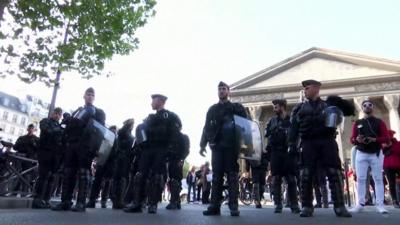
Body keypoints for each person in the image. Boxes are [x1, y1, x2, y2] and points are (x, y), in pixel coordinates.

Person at [288, 79, 351, 217]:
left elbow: (347, 111)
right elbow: (293, 128)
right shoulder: (298, 108)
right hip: (308, 142)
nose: (304, 91)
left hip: (327, 141)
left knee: (334, 173)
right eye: (304, 89)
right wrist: (291, 144)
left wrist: (338, 103)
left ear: (316, 89)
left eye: (307, 88)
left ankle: (340, 206)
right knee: (306, 174)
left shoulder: (328, 105)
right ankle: (307, 206)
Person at [124, 94, 181, 214]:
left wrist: (170, 149)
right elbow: (142, 131)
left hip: (161, 148)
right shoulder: (149, 118)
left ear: (160, 101)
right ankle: (137, 202)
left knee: (157, 177)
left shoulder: (170, 116)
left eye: (153, 100)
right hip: (147, 149)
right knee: (140, 176)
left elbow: (176, 132)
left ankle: (153, 204)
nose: (151, 103)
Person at [52, 87, 106, 212]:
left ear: (94, 97)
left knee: (84, 173)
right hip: (72, 143)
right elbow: (68, 126)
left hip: (86, 145)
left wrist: (97, 149)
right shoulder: (78, 110)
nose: (90, 96)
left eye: (92, 94)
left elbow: (100, 131)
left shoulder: (98, 112)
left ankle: (81, 202)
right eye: (88, 94)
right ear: (84, 96)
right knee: (68, 172)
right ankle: (65, 201)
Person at [200, 81, 248, 217]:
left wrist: (246, 146)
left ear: (228, 92)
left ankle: (233, 205)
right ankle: (214, 205)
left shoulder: (236, 108)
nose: (221, 91)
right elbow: (206, 128)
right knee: (216, 177)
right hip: (217, 147)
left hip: (231, 147)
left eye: (223, 89)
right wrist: (202, 144)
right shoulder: (212, 109)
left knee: (232, 176)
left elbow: (245, 125)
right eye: (219, 89)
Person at [350, 99, 389, 214]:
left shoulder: (379, 122)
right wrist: (357, 139)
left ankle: (380, 204)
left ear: (373, 107)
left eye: (370, 105)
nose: (367, 107)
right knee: (361, 179)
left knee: (378, 179)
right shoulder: (357, 123)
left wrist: (375, 139)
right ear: (362, 108)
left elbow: (386, 138)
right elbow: (352, 139)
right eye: (365, 105)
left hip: (376, 153)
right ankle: (360, 203)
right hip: (361, 153)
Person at [265, 99, 300, 213]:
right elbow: (267, 135)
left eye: (276, 106)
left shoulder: (291, 120)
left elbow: (297, 134)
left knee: (291, 179)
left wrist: (295, 147)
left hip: (288, 152)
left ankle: (294, 204)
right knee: (276, 179)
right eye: (274, 106)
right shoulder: (272, 121)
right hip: (276, 152)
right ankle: (278, 204)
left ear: (282, 107)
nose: (274, 108)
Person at [32, 107, 63, 209]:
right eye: (56, 113)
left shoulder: (59, 126)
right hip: (45, 152)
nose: (57, 115)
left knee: (51, 177)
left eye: (59, 114)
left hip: (55, 154)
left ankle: (46, 199)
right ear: (52, 113)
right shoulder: (45, 121)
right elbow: (47, 131)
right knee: (43, 176)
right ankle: (37, 199)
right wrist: (59, 129)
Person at [86, 125, 119, 209]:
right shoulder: (107, 139)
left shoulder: (114, 140)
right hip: (104, 163)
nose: (112, 132)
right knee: (99, 182)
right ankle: (94, 200)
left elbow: (114, 153)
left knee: (104, 182)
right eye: (111, 130)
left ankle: (99, 200)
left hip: (109, 163)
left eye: (114, 131)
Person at [111, 120, 134, 209]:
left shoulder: (122, 133)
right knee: (122, 178)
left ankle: (116, 200)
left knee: (118, 178)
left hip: (120, 157)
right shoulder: (127, 134)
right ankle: (119, 200)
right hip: (124, 158)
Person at [13, 123, 40, 196]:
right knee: (17, 174)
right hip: (19, 158)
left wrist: (33, 144)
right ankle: (14, 191)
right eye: (29, 127)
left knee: (26, 175)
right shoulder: (21, 138)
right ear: (27, 129)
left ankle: (24, 192)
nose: (30, 129)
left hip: (29, 159)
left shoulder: (36, 139)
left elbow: (38, 150)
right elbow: (15, 147)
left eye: (32, 128)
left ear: (34, 130)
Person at [165, 130, 190, 210]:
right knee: (174, 180)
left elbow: (186, 150)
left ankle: (174, 202)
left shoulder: (181, 137)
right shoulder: (173, 136)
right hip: (173, 160)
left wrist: (181, 159)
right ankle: (177, 201)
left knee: (175, 179)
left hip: (176, 160)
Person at [383, 130, 400, 208]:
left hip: (397, 164)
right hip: (388, 166)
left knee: (393, 183)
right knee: (391, 183)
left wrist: (390, 148)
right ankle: (394, 200)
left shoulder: (397, 144)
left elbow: (398, 150)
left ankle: (395, 200)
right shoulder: (382, 145)